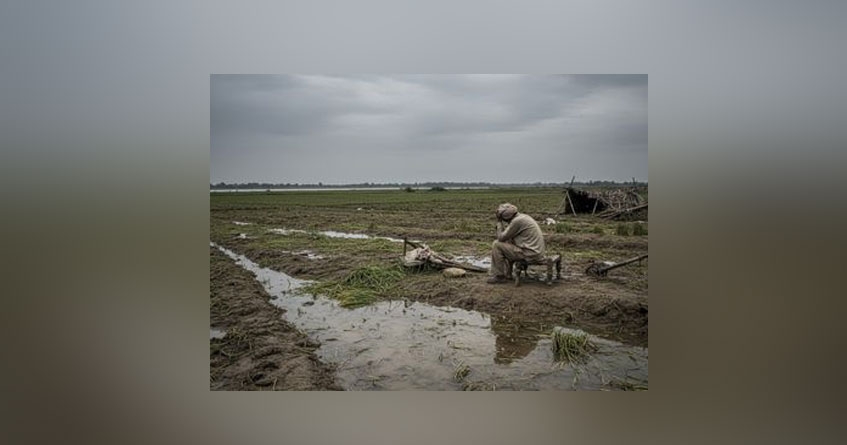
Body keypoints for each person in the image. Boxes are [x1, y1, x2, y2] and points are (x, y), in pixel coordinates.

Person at [487, 203, 546, 284]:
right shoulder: (523, 217)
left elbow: (501, 237)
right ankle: (508, 274)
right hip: (535, 251)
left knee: (497, 245)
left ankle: (500, 276)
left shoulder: (517, 221)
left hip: (530, 253)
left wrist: (499, 222)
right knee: (507, 243)